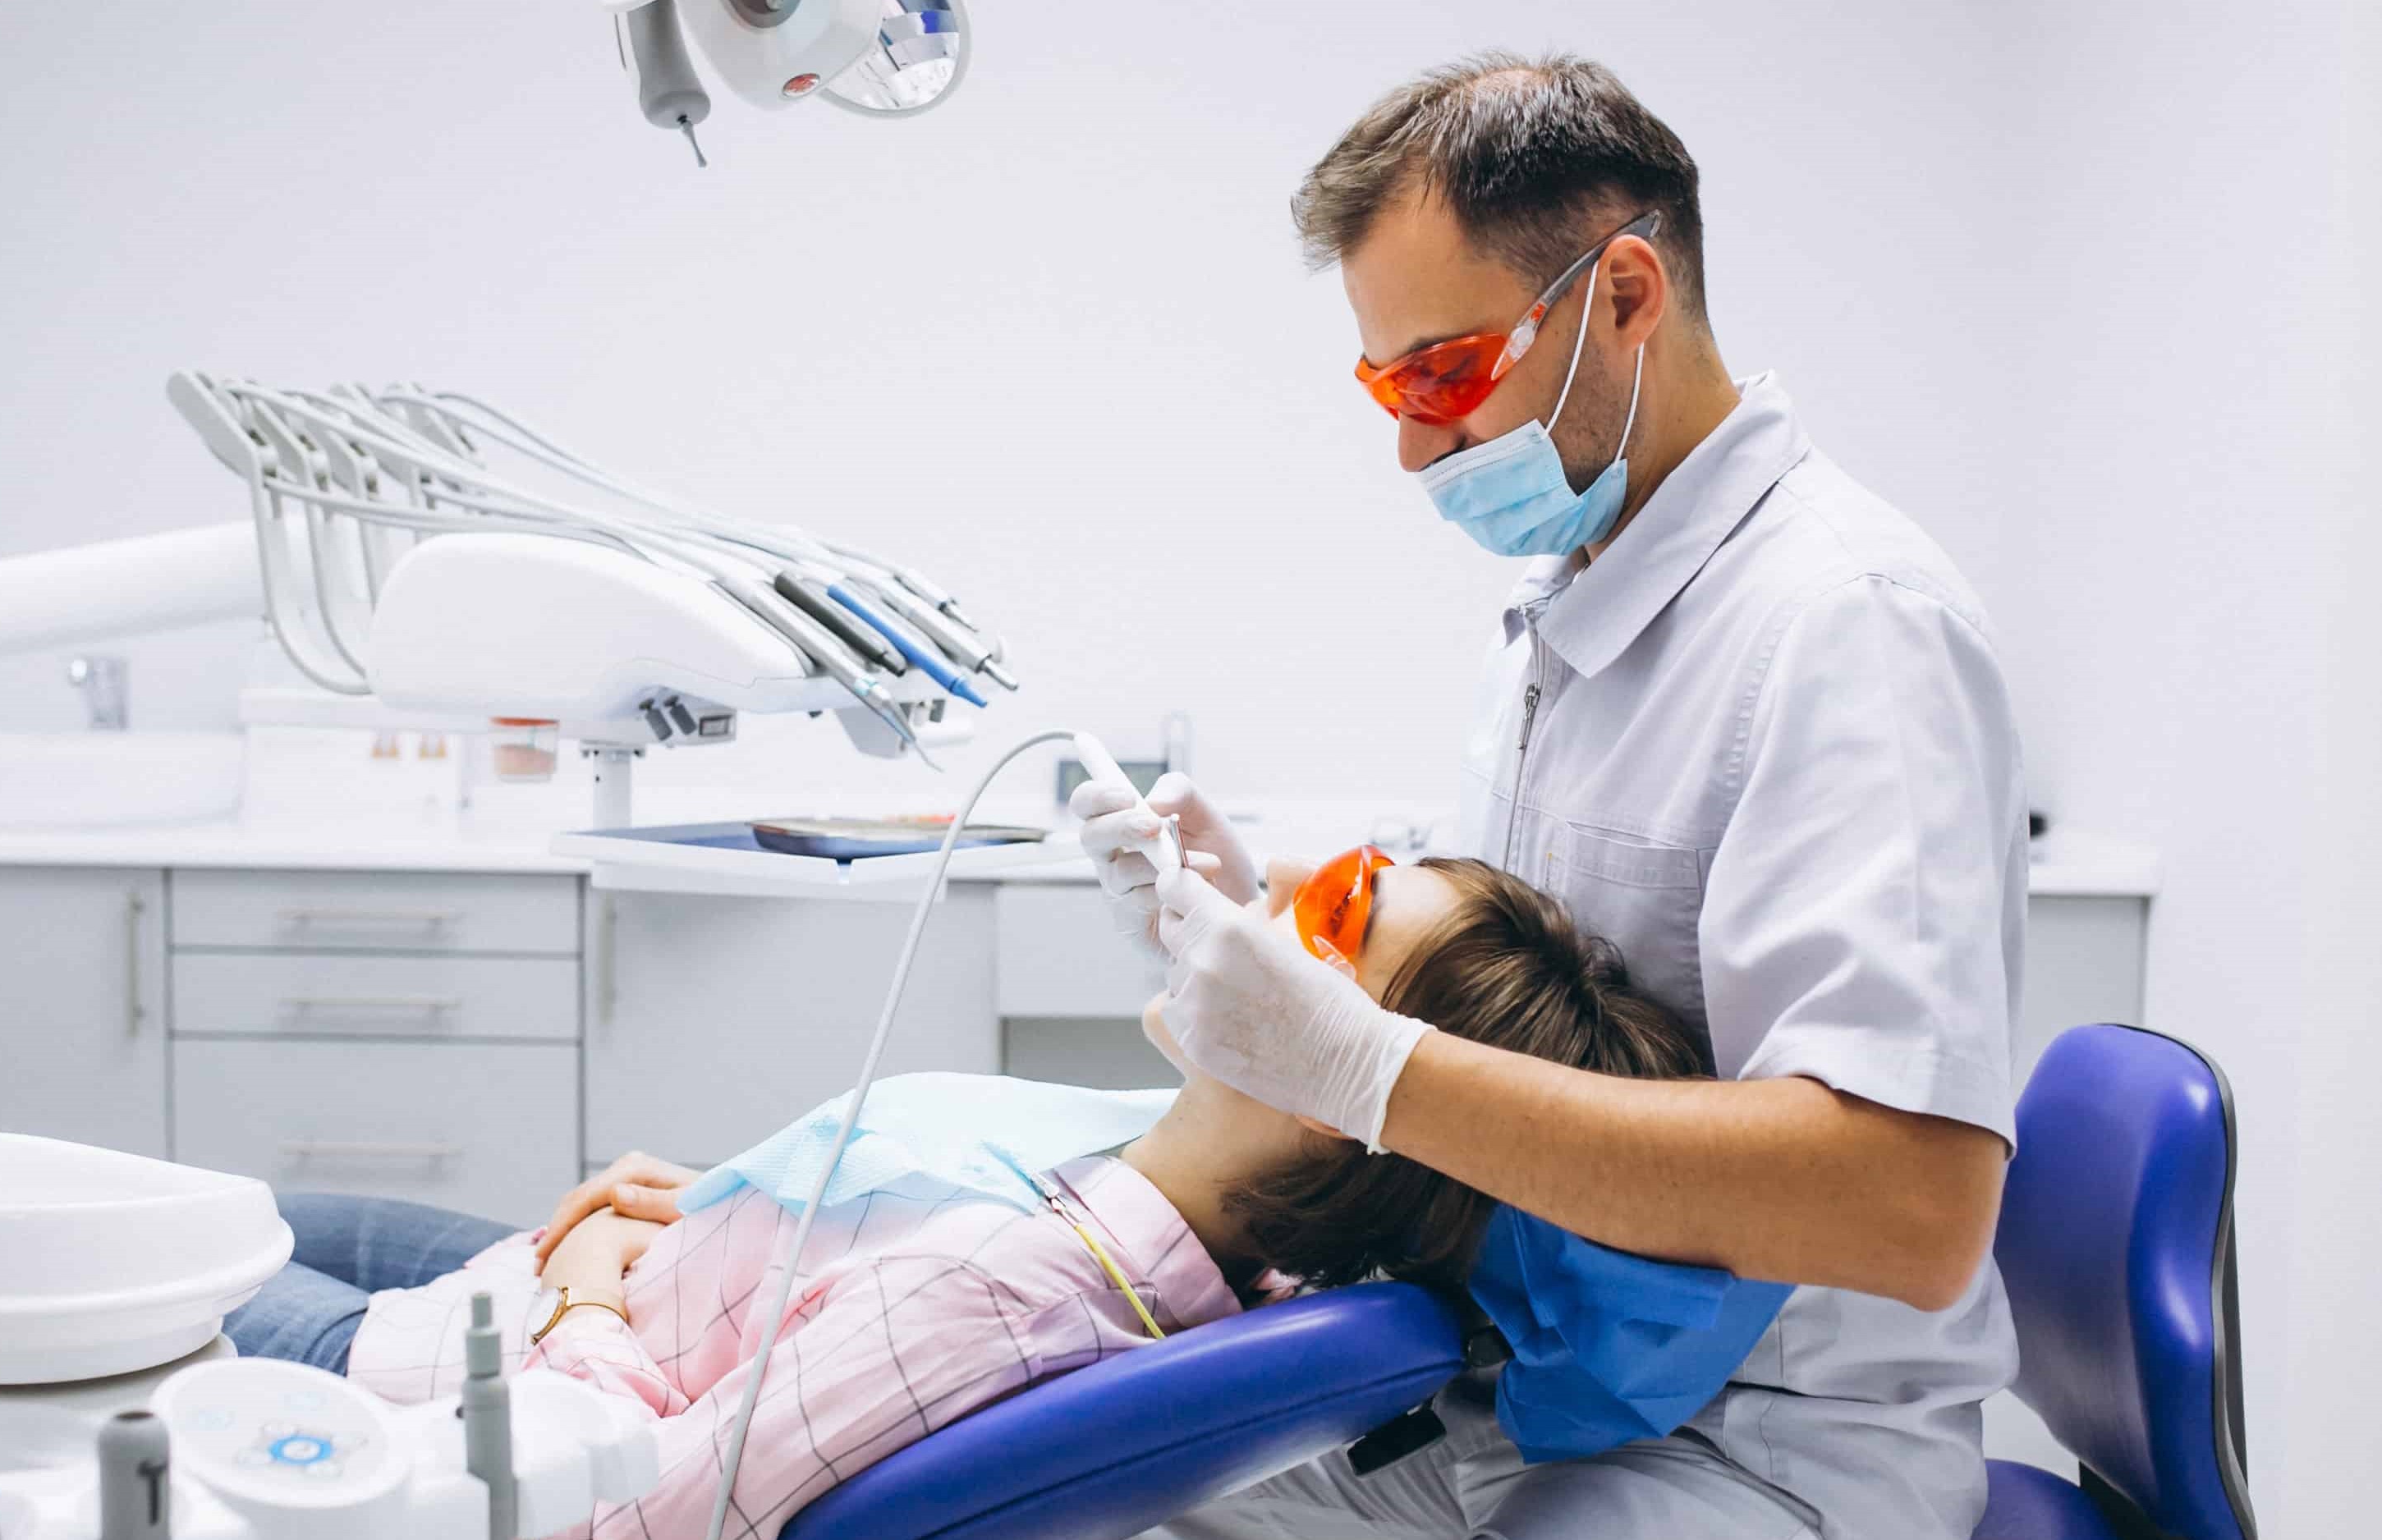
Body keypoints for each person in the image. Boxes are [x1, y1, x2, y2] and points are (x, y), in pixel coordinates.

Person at [1074, 52, 2028, 1540]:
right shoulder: (1564, 610)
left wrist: (1369, 1070)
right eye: (1385, 386)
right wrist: (1268, 944)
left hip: (1750, 1449)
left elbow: (1907, 1207)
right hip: (1513, 1392)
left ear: (1626, 295)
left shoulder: (1849, 627)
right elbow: (1512, 1020)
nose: (1410, 444)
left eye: (1443, 374)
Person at [226, 855, 1712, 1539]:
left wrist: (594, 1281)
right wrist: (749, 1209)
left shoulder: (1000, 1305)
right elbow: (846, 1303)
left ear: (1348, 1107)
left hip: (451, 1390)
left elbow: (632, 1518)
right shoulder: (1200, 1216)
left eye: (1329, 916)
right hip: (613, 1284)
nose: (1260, 913)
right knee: (259, 1201)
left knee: (135, 1256)